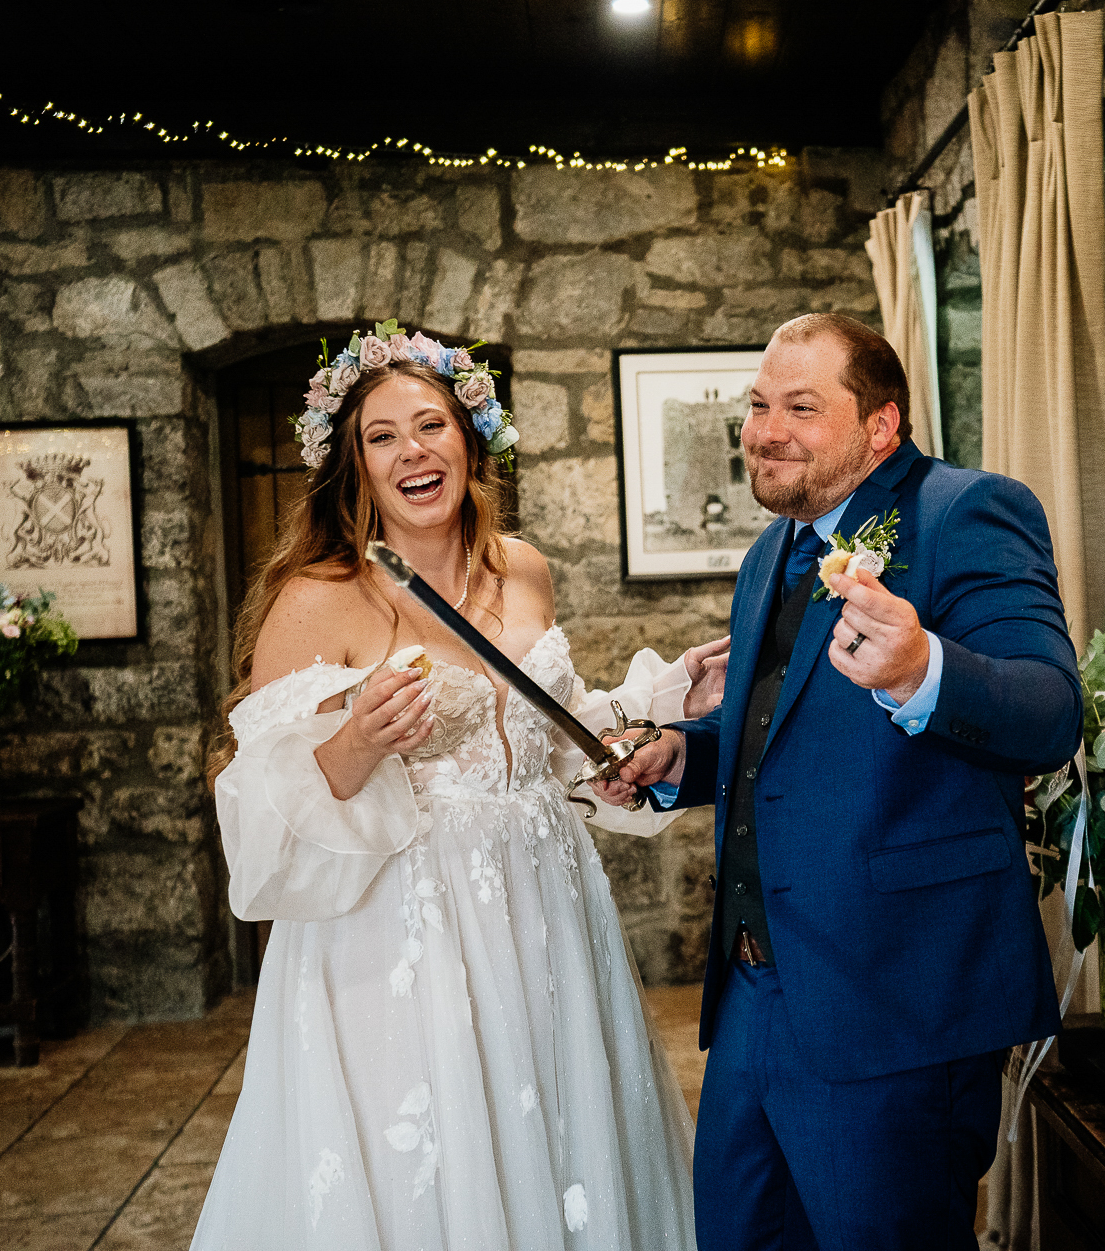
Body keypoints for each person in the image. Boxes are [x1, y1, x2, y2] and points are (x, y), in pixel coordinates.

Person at [195, 321, 726, 1251]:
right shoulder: (321, 596)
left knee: (560, 1146)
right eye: (382, 436)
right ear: (354, 466)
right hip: (403, 940)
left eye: (430, 424)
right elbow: (255, 807)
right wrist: (357, 743)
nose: (412, 451)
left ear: (468, 439)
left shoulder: (524, 573)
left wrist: (657, 708)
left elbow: (543, 742)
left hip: (548, 915)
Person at [598, 314, 1081, 1250]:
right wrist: (683, 757)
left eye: (801, 408)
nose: (766, 429)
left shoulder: (967, 511)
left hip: (895, 998)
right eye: (758, 405)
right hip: (753, 995)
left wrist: (920, 668)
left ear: (881, 428)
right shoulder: (769, 554)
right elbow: (782, 743)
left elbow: (1050, 712)